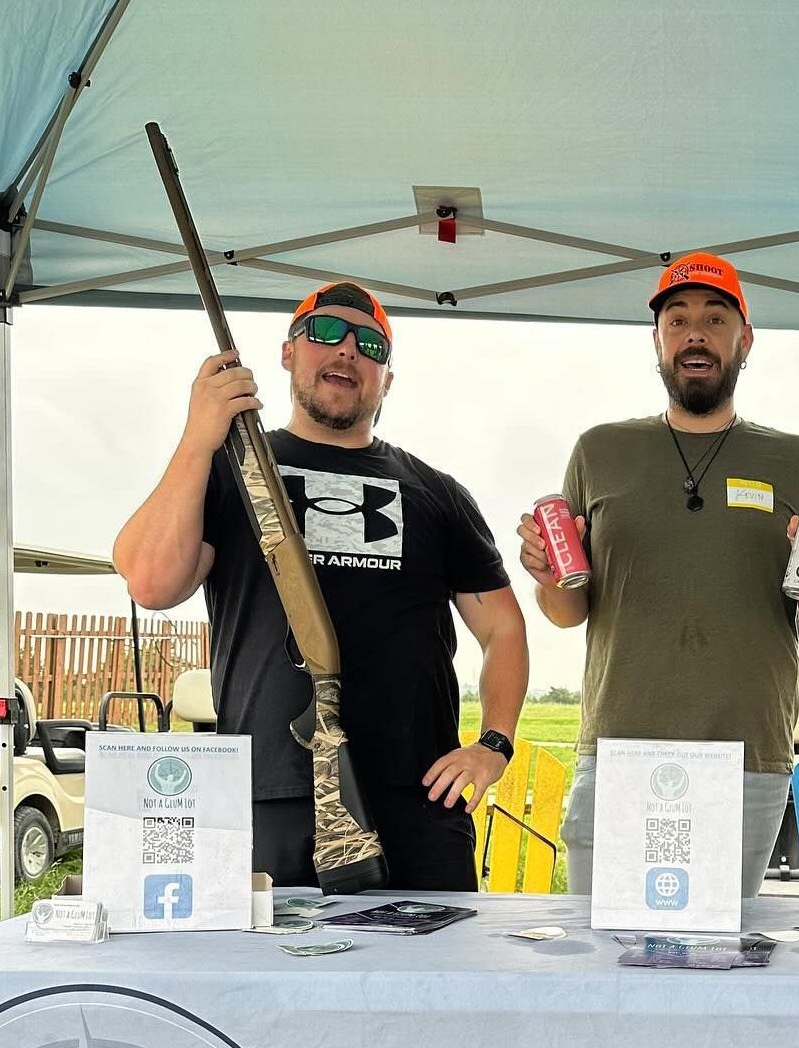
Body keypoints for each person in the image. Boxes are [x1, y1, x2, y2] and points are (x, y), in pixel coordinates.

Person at [115, 281, 528, 890]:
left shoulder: (437, 493)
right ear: (288, 353)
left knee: (431, 986)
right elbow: (149, 581)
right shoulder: (230, 471)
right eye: (326, 333)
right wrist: (199, 437)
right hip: (266, 796)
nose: (346, 352)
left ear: (388, 378)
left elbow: (504, 627)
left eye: (370, 345)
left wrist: (494, 743)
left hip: (418, 799)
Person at [516, 253, 799, 896]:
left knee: (722, 959)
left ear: (744, 339)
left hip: (748, 755)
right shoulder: (600, 450)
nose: (694, 333)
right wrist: (544, 573)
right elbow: (570, 610)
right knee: (605, 952)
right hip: (618, 747)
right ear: (658, 340)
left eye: (714, 318)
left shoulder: (797, 459)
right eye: (677, 320)